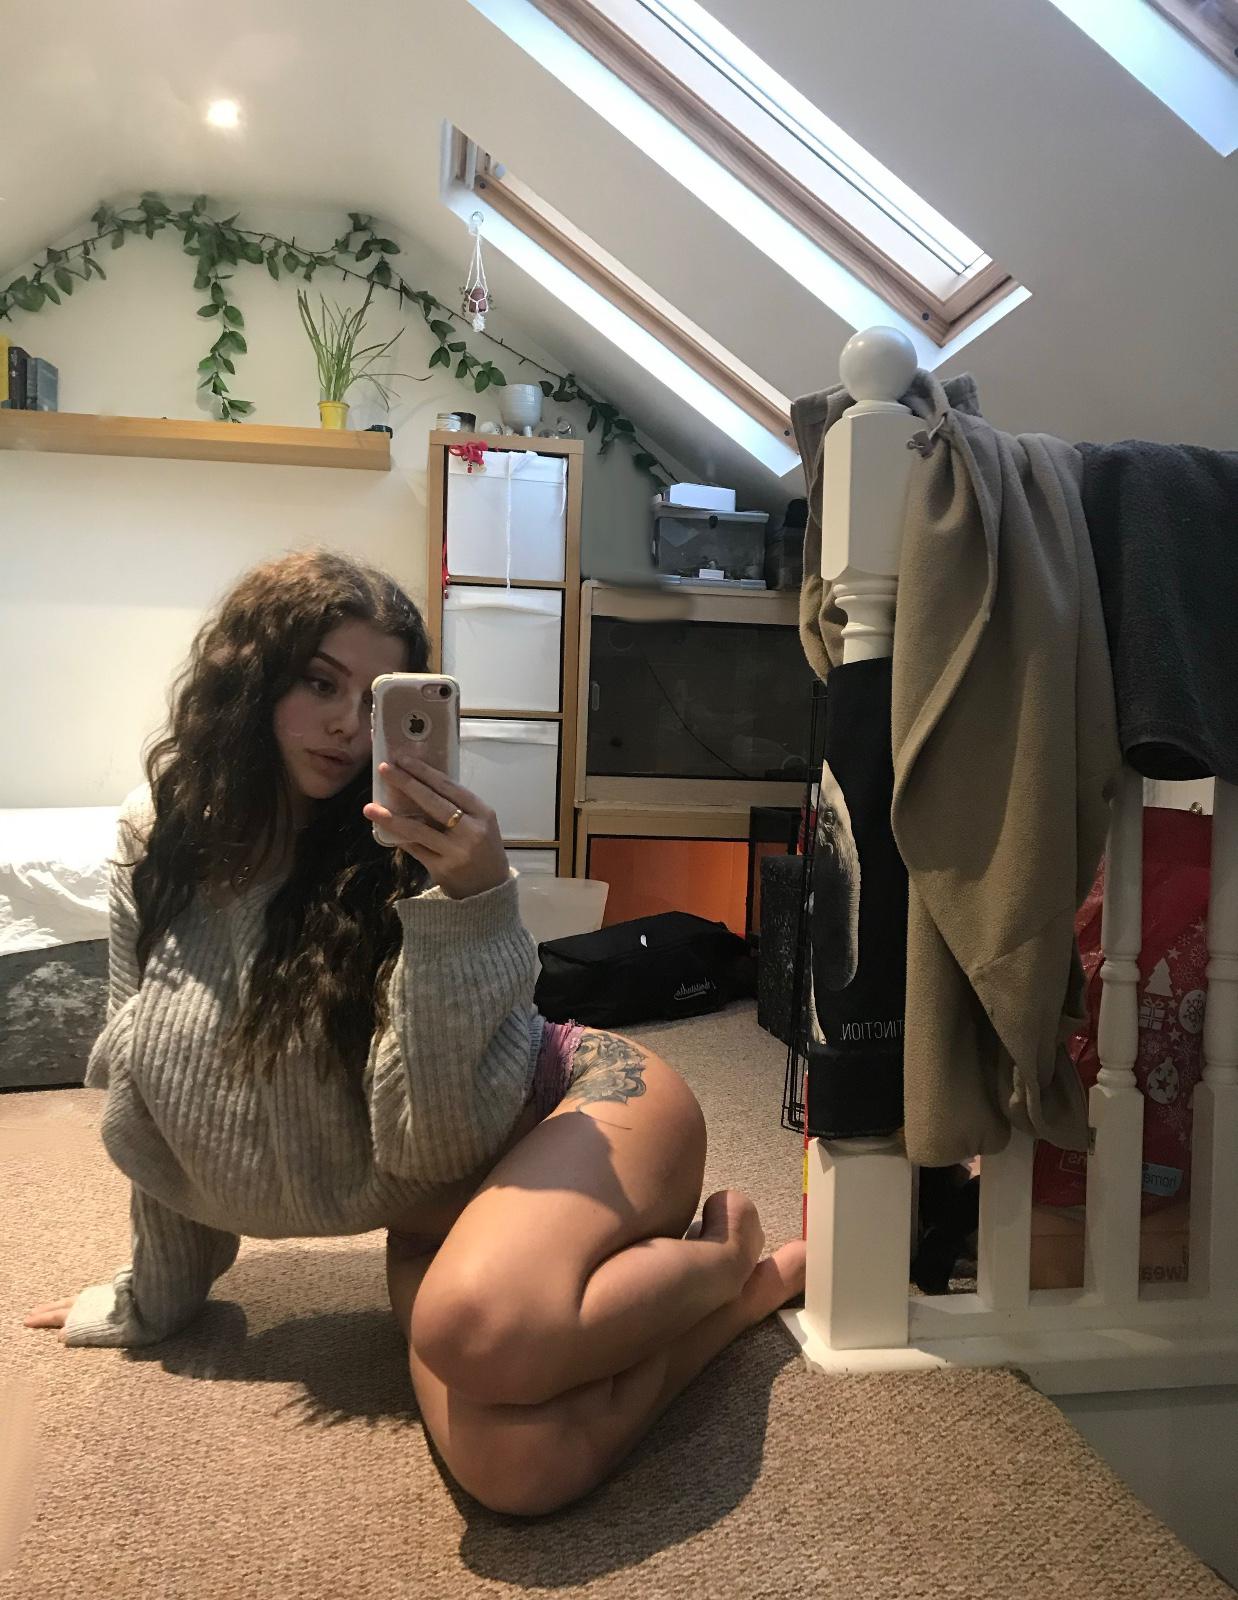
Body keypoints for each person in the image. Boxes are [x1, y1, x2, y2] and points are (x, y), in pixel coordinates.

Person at [26, 549, 805, 1516]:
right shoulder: (163, 839)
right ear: (251, 678)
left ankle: (720, 1260)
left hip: (574, 1105)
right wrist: (157, 1294)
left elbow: (438, 1137)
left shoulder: (412, 842)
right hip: (436, 1205)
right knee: (519, 1470)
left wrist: (467, 903)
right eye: (319, 683)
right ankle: (736, 1298)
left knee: (479, 1329)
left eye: (374, 699)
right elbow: (151, 1086)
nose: (348, 727)